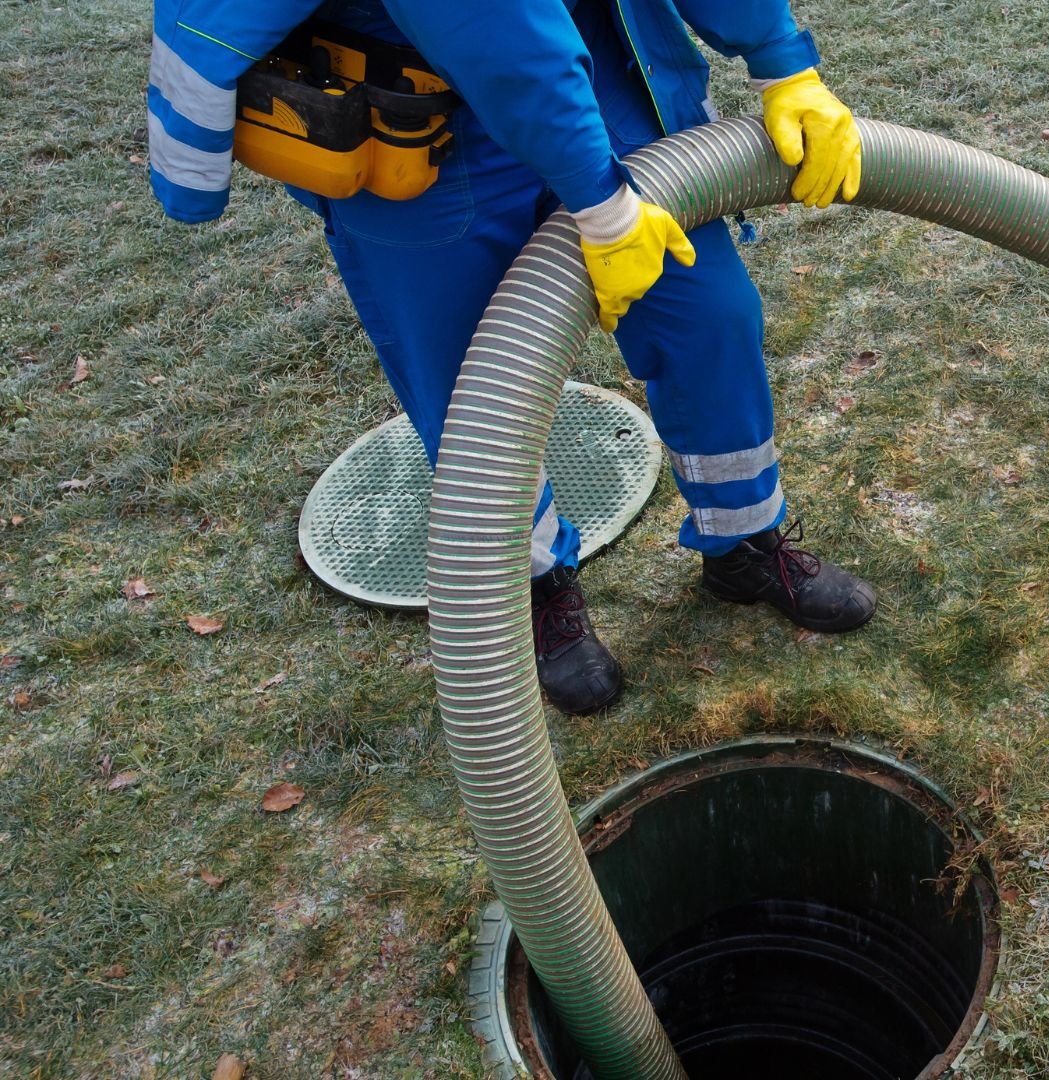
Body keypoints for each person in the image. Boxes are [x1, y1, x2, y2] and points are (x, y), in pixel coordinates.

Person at [146, 0, 877, 715]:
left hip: (593, 58)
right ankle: (540, 586)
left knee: (709, 315)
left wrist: (781, 61)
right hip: (404, 101)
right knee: (473, 388)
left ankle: (743, 541)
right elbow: (488, 22)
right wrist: (603, 204)